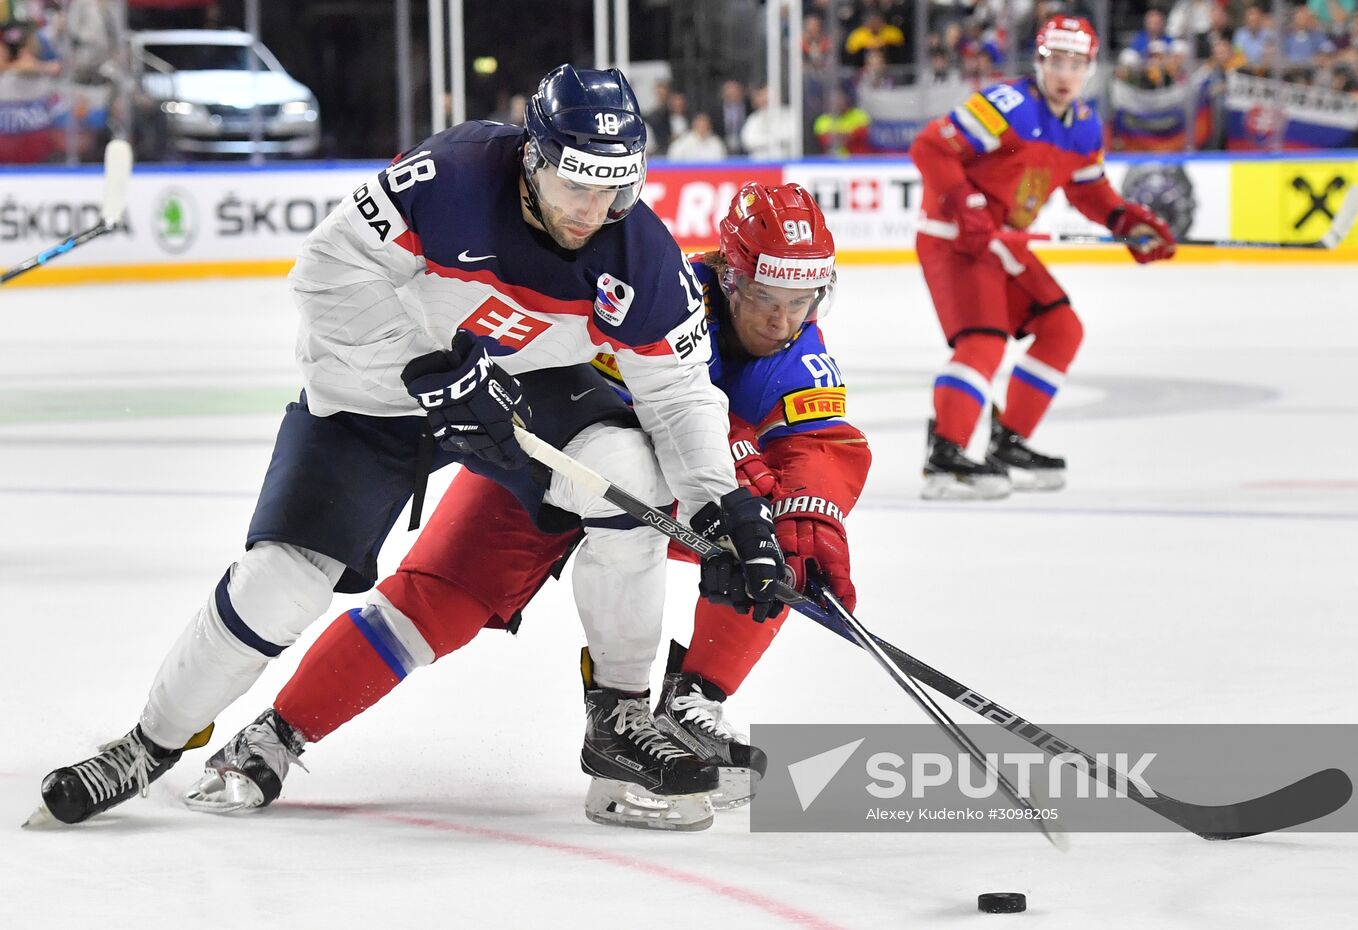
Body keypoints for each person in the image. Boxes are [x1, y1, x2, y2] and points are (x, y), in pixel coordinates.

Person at [31, 64, 783, 827]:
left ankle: (621, 719)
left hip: (522, 391)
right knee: (281, 583)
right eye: (574, 188)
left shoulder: (640, 255)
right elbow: (324, 278)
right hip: (373, 396)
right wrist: (424, 368)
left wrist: (725, 503)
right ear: (531, 160)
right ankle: (148, 743)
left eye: (614, 190)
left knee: (628, 472)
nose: (593, 212)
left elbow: (680, 394)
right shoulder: (451, 178)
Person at [184, 184, 869, 831]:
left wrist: (809, 516)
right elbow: (623, 405)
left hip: (656, 497)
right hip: (555, 460)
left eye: (804, 298)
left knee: (769, 550)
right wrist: (742, 463)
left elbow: (819, 447)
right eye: (764, 296)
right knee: (433, 604)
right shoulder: (664, 293)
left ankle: (688, 712)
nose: (783, 319)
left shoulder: (798, 349)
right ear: (729, 277)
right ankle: (277, 732)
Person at [910, 15, 1177, 500]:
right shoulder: (1007, 104)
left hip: (1003, 244)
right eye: (1056, 60)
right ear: (1039, 61)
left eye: (1076, 63)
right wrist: (968, 206)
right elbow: (932, 147)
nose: (1064, 73)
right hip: (955, 239)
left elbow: (1089, 190)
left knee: (1061, 328)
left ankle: (1007, 442)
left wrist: (1127, 222)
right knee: (984, 343)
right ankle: (945, 456)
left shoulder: (1083, 126)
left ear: (1091, 69)